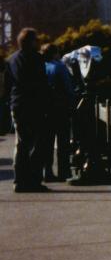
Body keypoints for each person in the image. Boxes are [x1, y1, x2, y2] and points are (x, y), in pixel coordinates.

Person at [3, 27, 52, 192]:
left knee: (21, 143)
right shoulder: (37, 59)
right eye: (36, 40)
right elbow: (42, 84)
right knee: (38, 144)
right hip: (34, 106)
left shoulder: (10, 60)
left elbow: (7, 86)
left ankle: (19, 180)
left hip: (17, 105)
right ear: (31, 42)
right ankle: (33, 181)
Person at [42, 44, 76, 181]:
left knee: (47, 142)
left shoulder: (41, 66)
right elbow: (68, 87)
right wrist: (72, 101)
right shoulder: (60, 67)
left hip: (45, 109)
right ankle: (64, 172)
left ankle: (47, 172)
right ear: (55, 53)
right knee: (63, 142)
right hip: (60, 108)